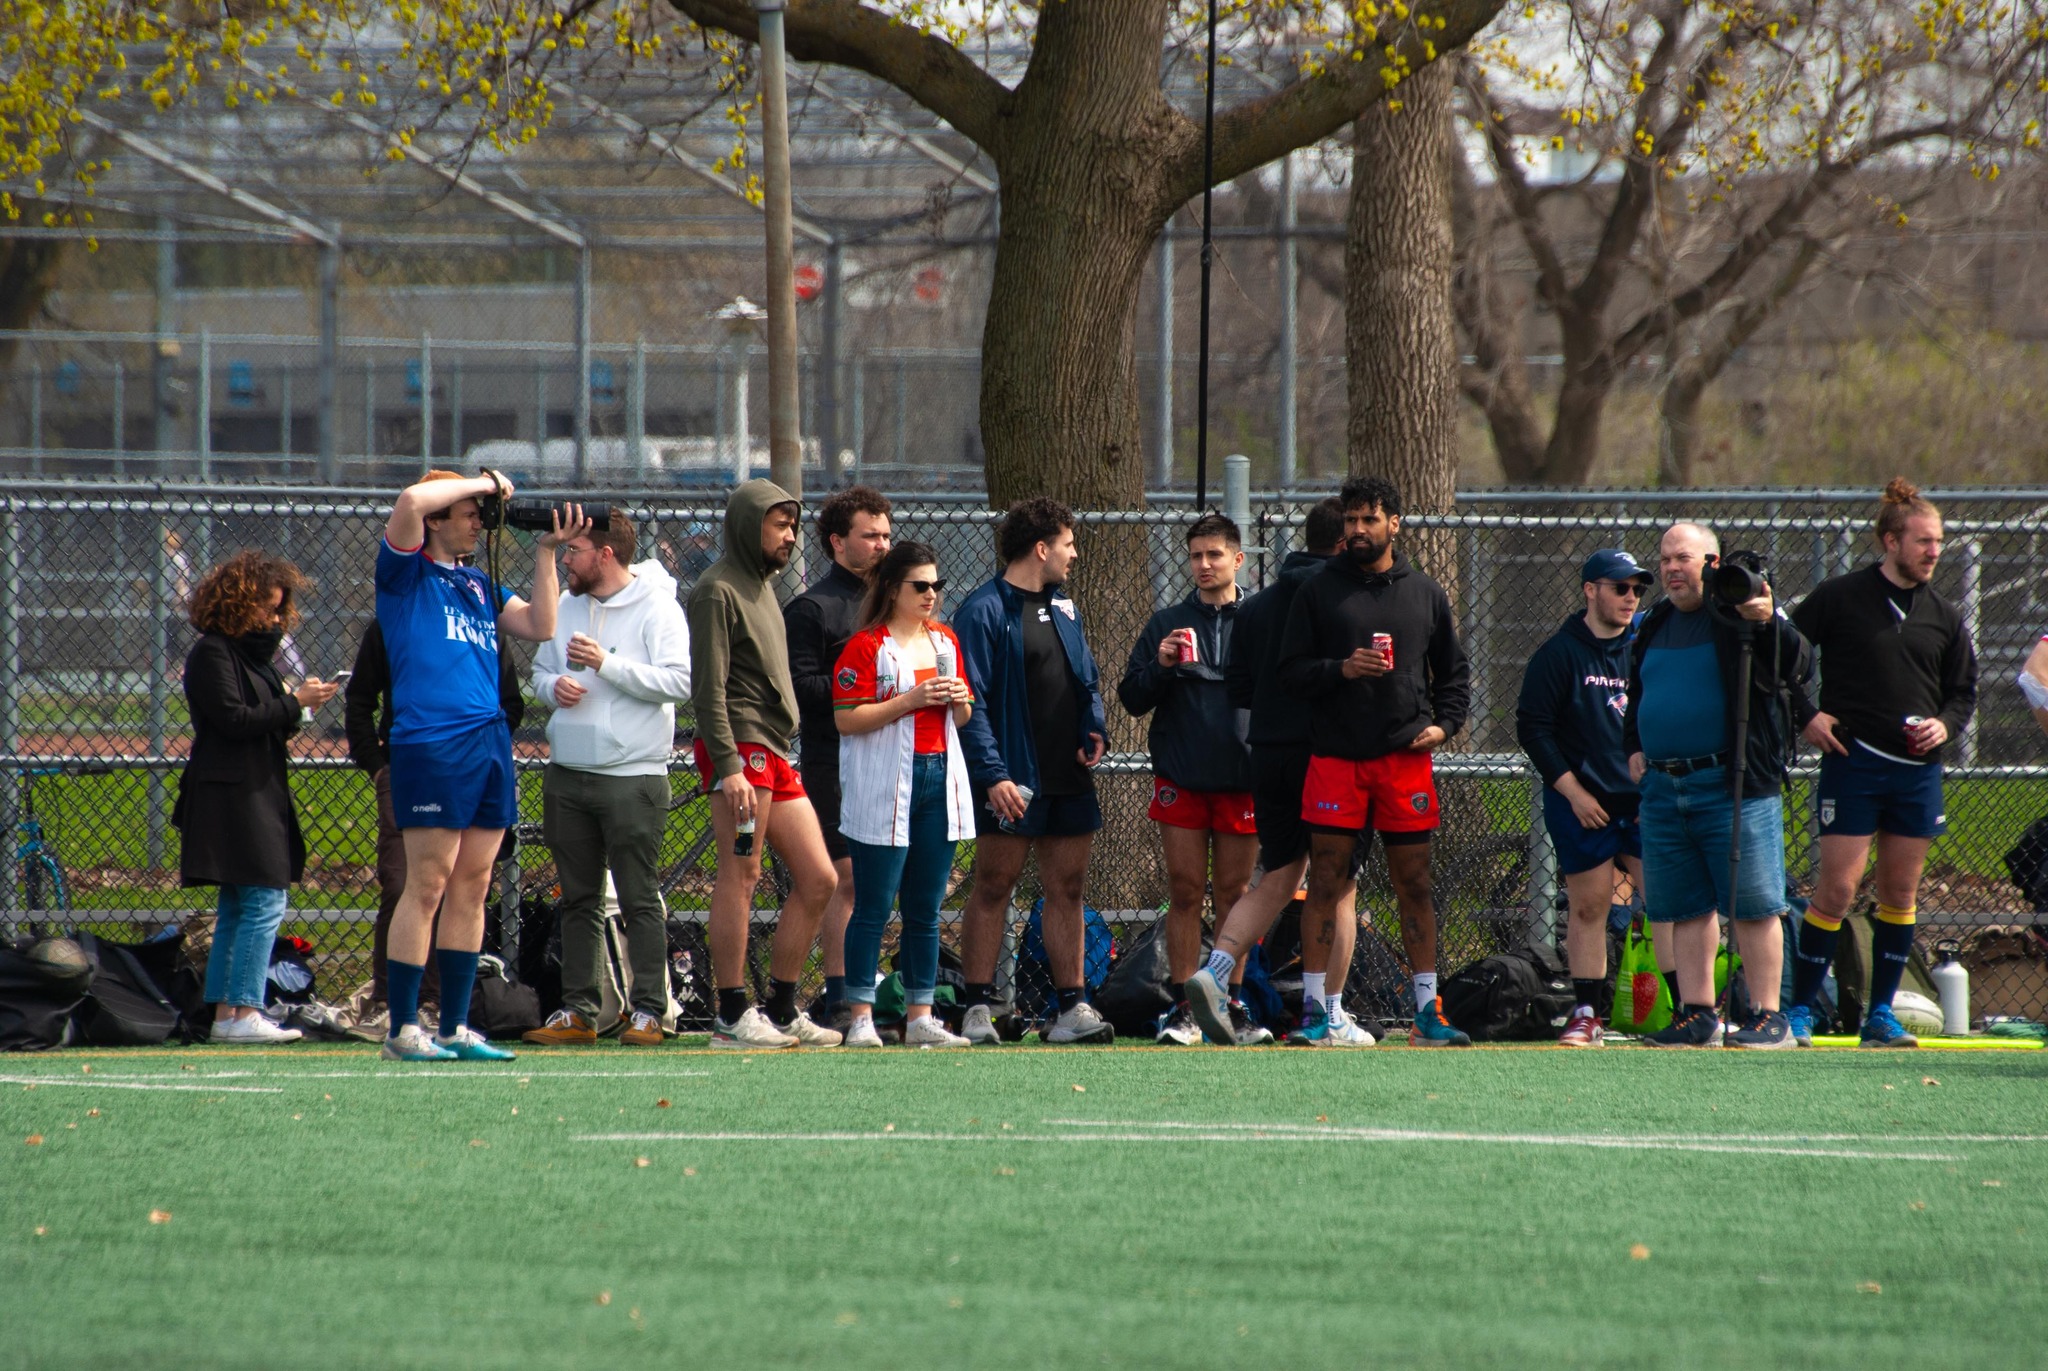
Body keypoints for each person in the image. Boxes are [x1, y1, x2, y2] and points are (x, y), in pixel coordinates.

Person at [376, 469, 585, 1063]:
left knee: (473, 886)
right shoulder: (405, 575)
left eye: (480, 510)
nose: (478, 520)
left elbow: (541, 626)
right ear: (436, 520)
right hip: (432, 744)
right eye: (468, 511)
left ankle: (455, 1027)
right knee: (429, 884)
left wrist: (546, 552)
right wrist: (485, 481)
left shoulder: (476, 583)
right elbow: (412, 496)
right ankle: (403, 1029)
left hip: (487, 744)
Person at [1277, 475, 1473, 1047]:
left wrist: (1444, 724)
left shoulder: (1425, 593)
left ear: (1394, 523)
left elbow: (1454, 675)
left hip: (1403, 761)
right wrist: (1341, 669)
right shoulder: (1318, 591)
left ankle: (1426, 1013)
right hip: (1336, 760)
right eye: (1351, 520)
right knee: (1328, 883)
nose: (1358, 530)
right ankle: (1315, 1012)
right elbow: (1288, 673)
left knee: (1414, 882)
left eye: (1369, 519)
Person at [1786, 480, 1977, 1048]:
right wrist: (1808, 716)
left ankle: (1880, 1017)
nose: (1934, 551)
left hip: (1916, 772)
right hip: (1854, 762)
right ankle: (1799, 1011)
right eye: (1923, 541)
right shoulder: (1841, 597)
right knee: (1837, 891)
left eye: (1939, 541)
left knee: (1899, 893)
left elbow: (1962, 692)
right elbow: (1783, 657)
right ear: (1890, 541)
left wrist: (1945, 723)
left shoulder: (1944, 614)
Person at [1623, 522, 1812, 1049]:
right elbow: (1638, 692)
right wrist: (1632, 747)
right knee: (1683, 907)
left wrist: (1767, 619)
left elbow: (1796, 665)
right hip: (1663, 788)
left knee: (1753, 903)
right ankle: (1697, 1014)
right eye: (1663, 560)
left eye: (1682, 558)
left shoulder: (1741, 615)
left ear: (1712, 562)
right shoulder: (1656, 621)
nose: (1669, 569)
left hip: (1732, 784)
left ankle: (1769, 1017)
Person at [524, 510, 693, 1048]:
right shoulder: (565, 606)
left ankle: (648, 1010)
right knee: (577, 899)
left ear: (605, 554)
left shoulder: (658, 606)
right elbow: (538, 673)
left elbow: (680, 682)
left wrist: (606, 664)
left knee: (640, 898)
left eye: (572, 551)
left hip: (633, 777)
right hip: (568, 774)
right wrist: (553, 690)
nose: (565, 559)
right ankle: (579, 1011)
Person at [687, 478, 843, 1049]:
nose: (790, 536)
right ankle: (730, 1014)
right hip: (742, 751)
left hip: (773, 751)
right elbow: (709, 689)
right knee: (743, 873)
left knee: (820, 877)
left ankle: (779, 1008)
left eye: (793, 526)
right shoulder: (716, 590)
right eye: (780, 525)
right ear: (749, 526)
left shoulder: (761, 587)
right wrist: (728, 766)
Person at [1187, 498, 1349, 1048]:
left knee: (1278, 874)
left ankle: (1213, 970)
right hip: (1326, 755)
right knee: (1339, 884)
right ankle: (1326, 1012)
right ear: (1345, 540)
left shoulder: (1256, 608)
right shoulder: (1341, 597)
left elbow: (1239, 687)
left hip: (1268, 753)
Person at [954, 497, 1113, 1045]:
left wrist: (1093, 726)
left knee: (1067, 888)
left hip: (1066, 777)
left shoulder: (1064, 606)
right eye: (1068, 545)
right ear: (1041, 548)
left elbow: (1086, 679)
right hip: (1011, 779)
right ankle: (977, 1008)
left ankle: (1071, 1008)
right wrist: (994, 776)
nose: (1073, 555)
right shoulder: (982, 610)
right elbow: (968, 701)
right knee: (994, 884)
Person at [175, 551, 340, 1044]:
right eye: (266, 608)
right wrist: (294, 702)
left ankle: (228, 1015)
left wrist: (298, 705)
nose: (273, 619)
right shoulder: (212, 653)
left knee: (242, 904)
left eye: (277, 610)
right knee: (264, 900)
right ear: (238, 603)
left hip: (257, 791)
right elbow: (233, 719)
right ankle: (243, 1010)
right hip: (230, 796)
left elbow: (269, 721)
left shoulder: (254, 657)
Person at [1117, 513, 1260, 1046]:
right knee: (1184, 891)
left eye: (1214, 555)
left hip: (1245, 780)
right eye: (1196, 555)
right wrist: (1161, 665)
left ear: (1237, 559)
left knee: (1234, 893)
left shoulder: (1262, 620)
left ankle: (1231, 1003)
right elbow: (1132, 698)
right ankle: (1182, 1008)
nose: (1203, 565)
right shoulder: (1167, 623)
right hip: (1182, 777)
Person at [344, 614, 527, 1029]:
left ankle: (442, 1011)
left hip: (474, 772)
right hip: (412, 769)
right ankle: (393, 1006)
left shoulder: (482, 624)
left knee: (465, 888)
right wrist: (377, 767)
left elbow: (510, 703)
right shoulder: (396, 619)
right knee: (408, 884)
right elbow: (359, 700)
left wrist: (480, 750)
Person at [832, 542, 977, 1049]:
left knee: (925, 907)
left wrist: (958, 701)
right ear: (893, 590)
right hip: (886, 781)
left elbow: (963, 717)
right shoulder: (867, 646)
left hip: (939, 778)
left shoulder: (945, 641)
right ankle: (860, 1017)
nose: (931, 595)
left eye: (937, 585)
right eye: (921, 586)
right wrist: (910, 700)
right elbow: (846, 719)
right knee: (872, 905)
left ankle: (920, 1016)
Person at [1514, 548, 1659, 1047]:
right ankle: (1587, 1013)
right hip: (1585, 804)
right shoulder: (1560, 653)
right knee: (1590, 907)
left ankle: (1690, 1008)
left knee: (1666, 902)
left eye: (1637, 590)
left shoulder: (1646, 646)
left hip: (1642, 802)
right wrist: (1574, 793)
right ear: (1590, 591)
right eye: (1620, 587)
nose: (1630, 597)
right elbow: (1533, 730)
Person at [784, 486, 893, 1027]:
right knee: (845, 879)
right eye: (869, 535)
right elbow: (800, 686)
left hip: (893, 759)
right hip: (835, 762)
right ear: (836, 542)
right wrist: (863, 687)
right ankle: (842, 1001)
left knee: (882, 881)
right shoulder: (813, 607)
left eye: (886, 535)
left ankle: (879, 998)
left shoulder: (898, 605)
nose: (881, 545)